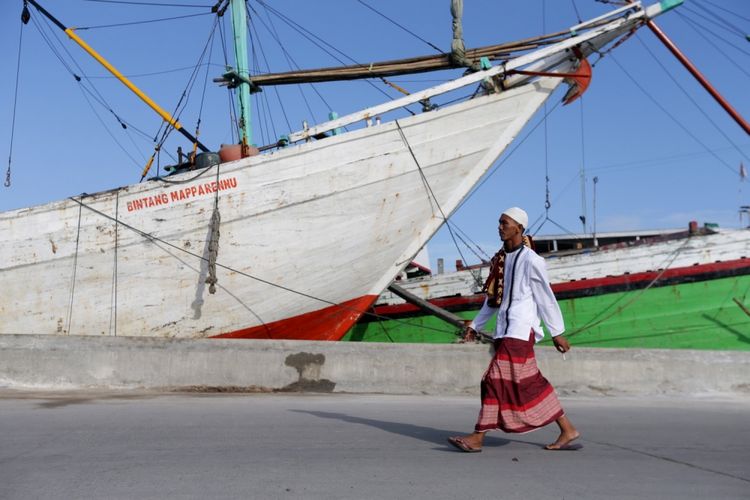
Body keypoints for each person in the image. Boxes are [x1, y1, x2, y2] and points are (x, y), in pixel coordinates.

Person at [448, 207, 580, 452]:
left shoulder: (532, 261)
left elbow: (545, 297)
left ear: (519, 227)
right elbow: (493, 300)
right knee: (530, 383)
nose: (500, 227)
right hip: (504, 332)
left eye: (504, 223)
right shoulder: (501, 261)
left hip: (519, 332)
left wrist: (557, 332)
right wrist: (476, 325)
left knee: (492, 380)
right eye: (499, 223)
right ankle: (568, 429)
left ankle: (478, 437)